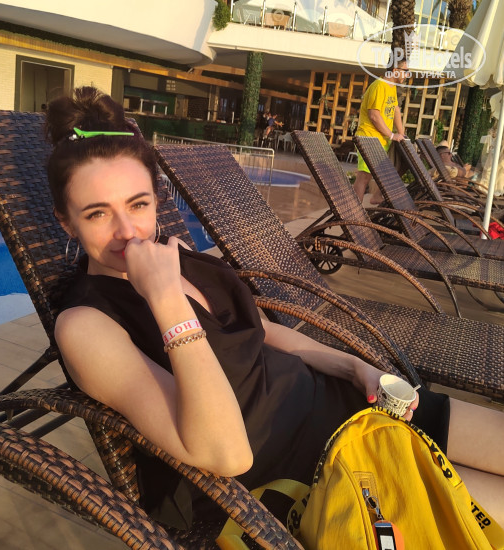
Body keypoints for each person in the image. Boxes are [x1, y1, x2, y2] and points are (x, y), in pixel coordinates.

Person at [48, 86, 504, 532]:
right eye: (97, 213)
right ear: (66, 222)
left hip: (336, 401)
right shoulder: (86, 325)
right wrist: (165, 299)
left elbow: (263, 333)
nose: (128, 232)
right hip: (300, 471)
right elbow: (228, 454)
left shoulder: (176, 252)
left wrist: (354, 367)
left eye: (138, 204)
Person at [354, 59, 408, 204]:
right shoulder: (379, 86)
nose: (407, 75)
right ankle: (354, 212)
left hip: (381, 139)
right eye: (405, 71)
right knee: (364, 177)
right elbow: (374, 115)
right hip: (369, 138)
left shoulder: (391, 87)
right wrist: (392, 135)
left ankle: (377, 196)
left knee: (398, 166)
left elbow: (395, 109)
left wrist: (401, 134)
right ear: (395, 71)